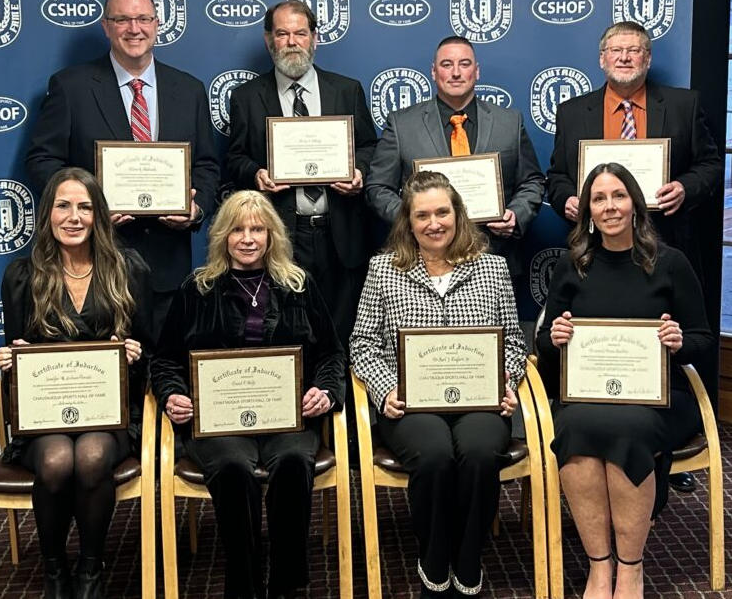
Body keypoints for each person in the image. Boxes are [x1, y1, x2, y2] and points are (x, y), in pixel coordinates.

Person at [546, 20, 721, 493]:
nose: (624, 57)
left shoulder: (684, 105)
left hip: (665, 250)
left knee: (668, 350)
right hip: (600, 255)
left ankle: (664, 450)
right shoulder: (573, 111)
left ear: (647, 58)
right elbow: (558, 175)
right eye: (615, 50)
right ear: (602, 59)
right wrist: (566, 197)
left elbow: (711, 165)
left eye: (635, 50)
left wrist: (685, 187)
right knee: (605, 352)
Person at [151, 190, 345, 599]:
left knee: (293, 460)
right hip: (217, 422)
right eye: (237, 229)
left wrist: (325, 391)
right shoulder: (197, 288)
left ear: (273, 234)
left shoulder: (298, 284)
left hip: (288, 416)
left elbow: (330, 354)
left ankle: (286, 583)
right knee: (234, 468)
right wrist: (172, 395)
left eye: (257, 229)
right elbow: (165, 360)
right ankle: (243, 584)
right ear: (222, 235)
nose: (248, 238)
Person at [536, 163, 713, 599]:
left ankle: (631, 568)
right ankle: (600, 566)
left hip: (658, 397)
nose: (610, 206)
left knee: (627, 429)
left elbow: (703, 338)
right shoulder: (572, 265)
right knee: (575, 426)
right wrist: (554, 337)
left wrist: (677, 342)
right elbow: (543, 341)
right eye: (599, 198)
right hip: (587, 393)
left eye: (618, 196)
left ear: (635, 203)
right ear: (588, 211)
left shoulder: (670, 263)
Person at [350, 171, 527, 597]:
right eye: (423, 215)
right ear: (408, 222)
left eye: (442, 212)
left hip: (480, 401)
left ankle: (468, 557)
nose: (434, 223)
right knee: (434, 455)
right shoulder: (383, 269)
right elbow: (362, 343)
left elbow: (515, 342)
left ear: (458, 214)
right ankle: (433, 555)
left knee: (482, 452)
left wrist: (506, 379)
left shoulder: (493, 267)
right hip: (412, 404)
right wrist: (384, 388)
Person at [0, 167, 153, 599]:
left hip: (112, 414)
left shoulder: (128, 268)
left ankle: (90, 567)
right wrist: (9, 358)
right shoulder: (22, 277)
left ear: (98, 215)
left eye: (84, 207)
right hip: (46, 421)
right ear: (47, 214)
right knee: (57, 460)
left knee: (91, 454)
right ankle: (54, 568)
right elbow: (18, 354)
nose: (73, 216)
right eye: (63, 205)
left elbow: (152, 350)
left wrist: (136, 354)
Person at [26, 0, 220, 334]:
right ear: (106, 26)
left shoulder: (189, 89)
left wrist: (197, 209)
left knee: (164, 377)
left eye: (144, 18)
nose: (135, 29)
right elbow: (43, 160)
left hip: (168, 267)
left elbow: (206, 165)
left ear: (157, 24)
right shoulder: (71, 87)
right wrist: (88, 207)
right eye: (123, 20)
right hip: (93, 265)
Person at [226, 0, 378, 346]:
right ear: (269, 41)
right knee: (286, 331)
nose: (292, 41)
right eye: (282, 34)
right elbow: (234, 158)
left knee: (342, 335)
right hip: (281, 233)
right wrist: (257, 174)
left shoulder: (346, 89)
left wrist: (359, 172)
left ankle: (340, 398)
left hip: (339, 232)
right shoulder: (246, 97)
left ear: (315, 38)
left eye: (300, 33)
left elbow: (371, 147)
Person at [365, 35, 545, 287]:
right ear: (433, 71)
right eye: (447, 65)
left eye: (465, 64)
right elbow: (378, 188)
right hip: (422, 261)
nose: (456, 73)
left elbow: (532, 181)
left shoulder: (509, 122)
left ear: (477, 71)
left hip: (492, 256)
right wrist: (415, 220)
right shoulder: (402, 123)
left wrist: (515, 215)